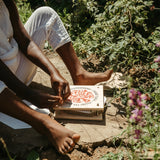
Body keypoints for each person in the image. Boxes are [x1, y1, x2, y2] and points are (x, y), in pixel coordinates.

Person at [0, 0, 113, 154]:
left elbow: (24, 41)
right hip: (2, 90)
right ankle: (43, 123)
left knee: (45, 15)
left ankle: (79, 74)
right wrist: (30, 95)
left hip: (16, 70)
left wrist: (54, 72)